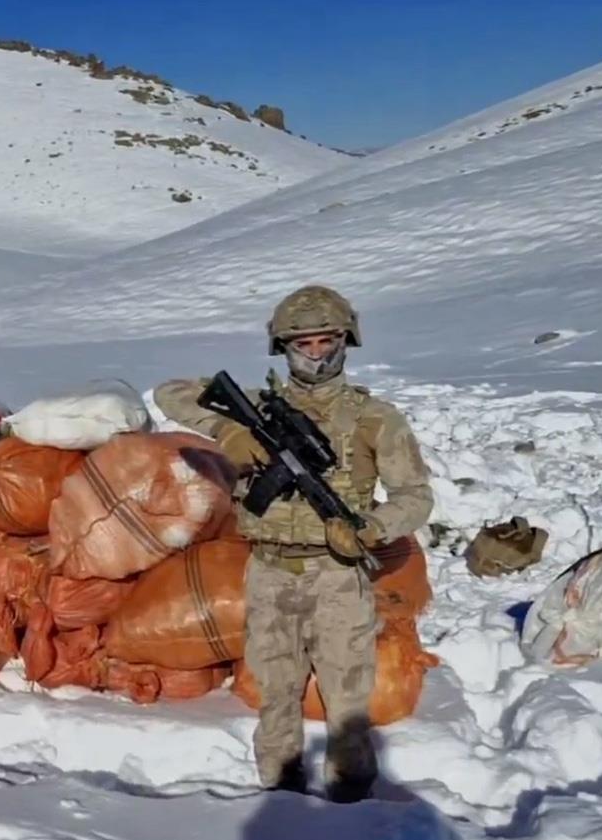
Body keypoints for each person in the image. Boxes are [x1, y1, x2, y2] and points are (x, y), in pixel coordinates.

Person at [154, 285, 433, 802]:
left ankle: (351, 798)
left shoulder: (375, 418)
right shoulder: (260, 408)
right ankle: (279, 794)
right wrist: (230, 431)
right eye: (303, 343)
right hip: (270, 570)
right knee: (276, 691)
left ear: (346, 341)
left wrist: (369, 528)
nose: (316, 353)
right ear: (283, 347)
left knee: (347, 698)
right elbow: (170, 393)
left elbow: (416, 497)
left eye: (326, 341)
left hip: (336, 574)